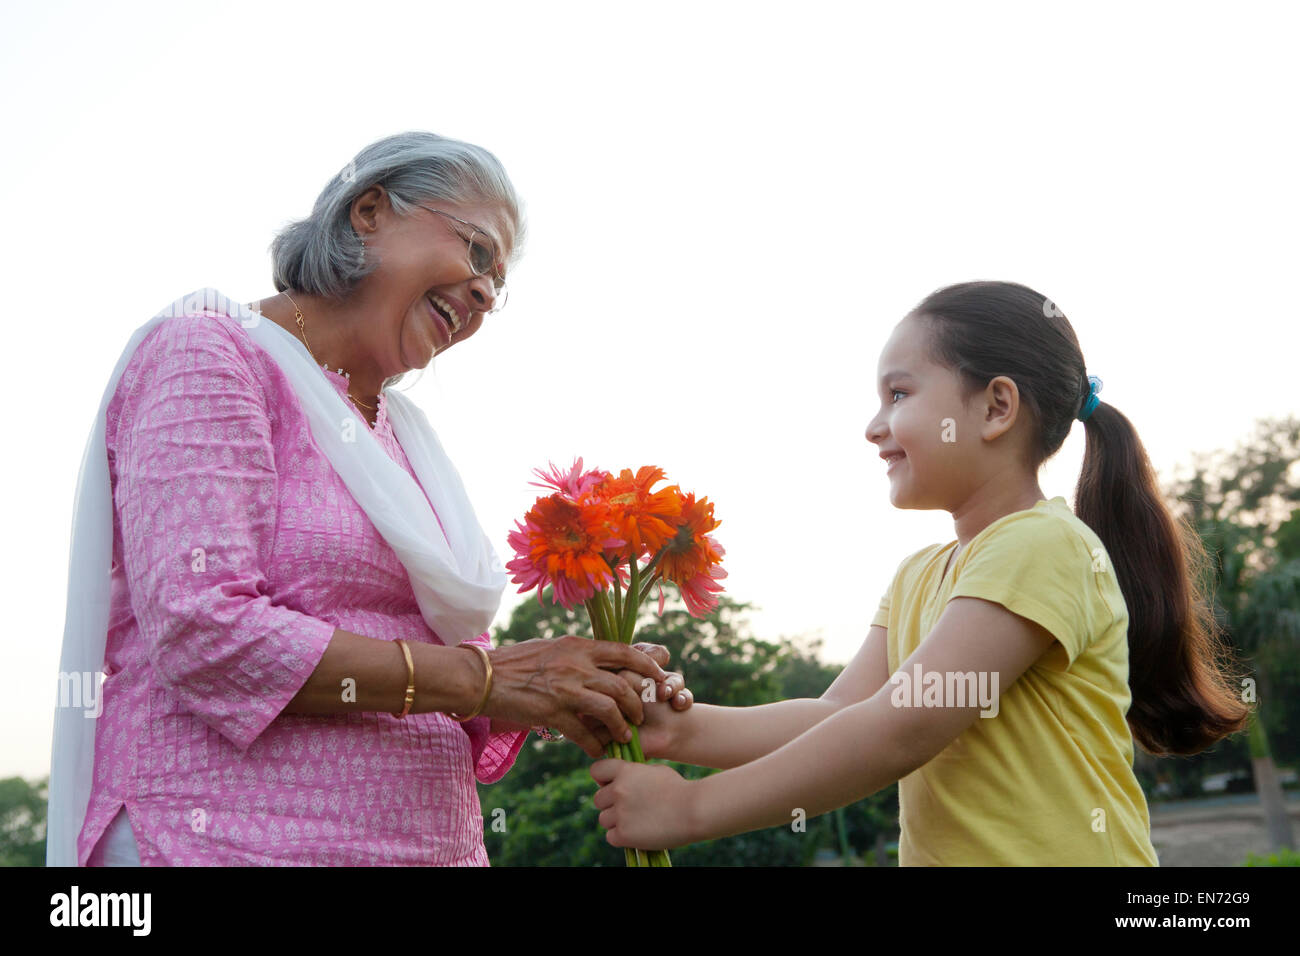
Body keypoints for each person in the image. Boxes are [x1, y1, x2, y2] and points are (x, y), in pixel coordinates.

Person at [48, 131, 689, 867]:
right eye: (477, 252)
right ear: (370, 212)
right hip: (225, 842)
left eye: (497, 286)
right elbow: (206, 630)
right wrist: (492, 680)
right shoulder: (210, 354)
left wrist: (578, 688)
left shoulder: (400, 440)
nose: (485, 291)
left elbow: (439, 672)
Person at [589, 280, 1250, 865]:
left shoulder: (1046, 546)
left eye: (899, 393)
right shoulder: (919, 576)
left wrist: (692, 811)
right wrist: (682, 728)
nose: (874, 426)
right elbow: (840, 712)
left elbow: (901, 726)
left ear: (996, 408)